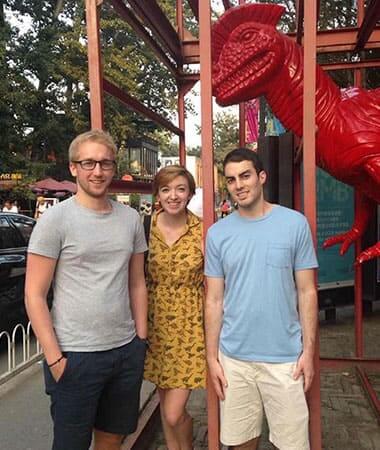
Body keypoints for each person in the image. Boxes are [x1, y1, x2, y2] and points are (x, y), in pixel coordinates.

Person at [25, 129, 148, 450]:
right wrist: (54, 358)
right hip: (74, 355)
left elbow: (137, 282)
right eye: (89, 163)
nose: (98, 171)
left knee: (112, 439)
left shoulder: (131, 219)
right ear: (73, 168)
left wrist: (141, 340)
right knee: (71, 444)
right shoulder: (54, 221)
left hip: (124, 351)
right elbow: (34, 294)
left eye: (105, 163)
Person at [204, 148, 318, 450]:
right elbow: (214, 300)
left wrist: (308, 351)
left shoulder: (294, 224)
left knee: (292, 444)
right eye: (231, 180)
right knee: (240, 443)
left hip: (285, 360)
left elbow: (307, 292)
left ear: (261, 177)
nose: (239, 185)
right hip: (235, 359)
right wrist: (211, 357)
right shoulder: (217, 234)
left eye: (245, 176)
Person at [144, 165, 206, 450]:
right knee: (167, 409)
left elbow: (216, 282)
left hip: (190, 327)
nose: (173, 196)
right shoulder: (145, 227)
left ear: (190, 193)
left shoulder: (202, 230)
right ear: (157, 193)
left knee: (173, 412)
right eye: (166, 189)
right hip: (154, 326)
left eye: (180, 189)